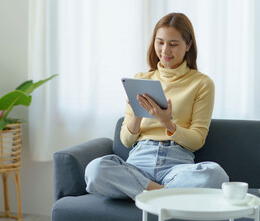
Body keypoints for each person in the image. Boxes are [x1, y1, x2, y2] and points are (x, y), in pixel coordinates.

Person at [84, 13, 229, 200]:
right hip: (138, 164)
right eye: (160, 42)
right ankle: (164, 195)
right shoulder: (141, 79)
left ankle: (144, 195)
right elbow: (126, 141)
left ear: (188, 45)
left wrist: (167, 123)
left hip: (177, 165)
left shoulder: (201, 83)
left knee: (215, 174)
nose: (165, 50)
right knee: (95, 169)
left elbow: (197, 140)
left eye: (173, 44)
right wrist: (137, 113)